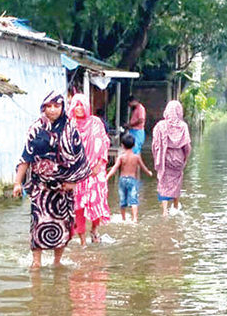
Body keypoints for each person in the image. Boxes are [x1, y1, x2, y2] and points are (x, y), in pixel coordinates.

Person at [12, 92, 93, 268]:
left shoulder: (71, 129)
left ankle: (57, 261)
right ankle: (36, 262)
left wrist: (73, 182)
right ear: (43, 108)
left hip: (64, 189)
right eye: (48, 106)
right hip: (41, 187)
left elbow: (81, 158)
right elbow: (26, 156)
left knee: (63, 226)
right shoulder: (36, 129)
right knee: (38, 223)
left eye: (56, 106)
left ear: (63, 107)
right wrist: (18, 182)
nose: (52, 110)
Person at [69, 94, 111, 246]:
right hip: (76, 172)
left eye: (81, 104)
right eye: (76, 104)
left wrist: (99, 164)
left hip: (95, 172)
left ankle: (94, 229)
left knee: (96, 202)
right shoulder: (69, 125)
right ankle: (82, 241)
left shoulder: (96, 123)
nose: (78, 108)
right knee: (78, 207)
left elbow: (105, 143)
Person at [152, 99, 192, 216]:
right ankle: (175, 206)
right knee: (177, 181)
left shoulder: (160, 126)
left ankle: (164, 211)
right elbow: (187, 146)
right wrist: (185, 158)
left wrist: (157, 155)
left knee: (163, 182)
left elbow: (155, 144)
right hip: (178, 159)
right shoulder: (183, 126)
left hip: (164, 158)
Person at [105, 132, 152, 222]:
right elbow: (143, 167)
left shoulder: (121, 157)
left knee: (123, 200)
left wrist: (107, 177)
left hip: (122, 180)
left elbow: (114, 168)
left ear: (122, 145)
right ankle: (135, 219)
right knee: (133, 199)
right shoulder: (136, 157)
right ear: (134, 145)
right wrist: (148, 172)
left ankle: (123, 218)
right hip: (132, 180)